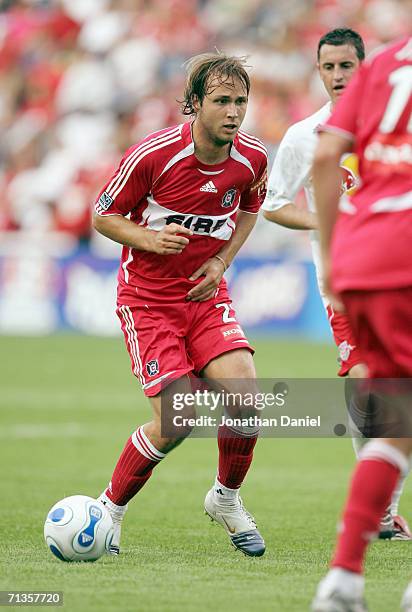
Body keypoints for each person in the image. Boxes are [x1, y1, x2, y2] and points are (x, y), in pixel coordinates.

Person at [92, 52, 268, 558]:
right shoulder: (154, 155)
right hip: (148, 303)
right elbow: (104, 215)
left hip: (205, 297)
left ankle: (226, 499)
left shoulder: (252, 157)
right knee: (178, 418)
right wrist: (148, 240)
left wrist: (223, 263)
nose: (233, 112)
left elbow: (251, 208)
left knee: (247, 401)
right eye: (221, 101)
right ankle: (111, 509)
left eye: (240, 101)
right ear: (194, 105)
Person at [262, 28, 410, 540]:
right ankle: (382, 511)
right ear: (318, 71)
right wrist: (324, 223)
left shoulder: (393, 122)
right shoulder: (307, 134)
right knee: (366, 379)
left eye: (347, 65)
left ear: (366, 66)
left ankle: (383, 505)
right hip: (342, 280)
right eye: (329, 68)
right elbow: (274, 202)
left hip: (399, 270)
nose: (338, 76)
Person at [311, 35, 412, 611]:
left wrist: (332, 261)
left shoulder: (384, 65)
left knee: (397, 421)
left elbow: (329, 157)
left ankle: (343, 580)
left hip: (366, 259)